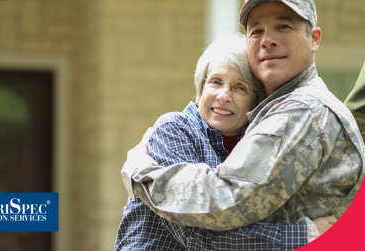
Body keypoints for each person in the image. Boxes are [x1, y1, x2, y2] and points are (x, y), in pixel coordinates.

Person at [121, 0, 364, 248]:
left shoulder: (300, 110)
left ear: (314, 39)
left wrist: (141, 174)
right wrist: (302, 236)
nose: (267, 39)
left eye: (283, 26)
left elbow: (224, 198)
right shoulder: (175, 129)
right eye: (256, 31)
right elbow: (197, 234)